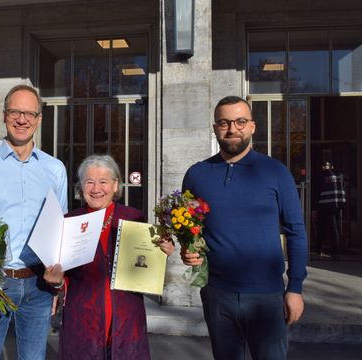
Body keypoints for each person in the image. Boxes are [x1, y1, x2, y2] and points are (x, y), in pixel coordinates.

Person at [180, 96, 308, 360]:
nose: (232, 129)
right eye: (224, 122)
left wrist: (295, 288)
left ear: (252, 126)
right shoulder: (197, 174)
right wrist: (187, 251)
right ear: (215, 128)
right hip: (217, 293)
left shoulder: (275, 172)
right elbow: (190, 228)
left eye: (240, 121)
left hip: (267, 296)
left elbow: (296, 231)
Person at [0, 84, 68, 360]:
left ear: (39, 119)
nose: (22, 120)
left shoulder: (55, 169)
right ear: (4, 115)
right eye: (15, 112)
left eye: (30, 113)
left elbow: (60, 229)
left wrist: (57, 285)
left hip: (38, 285)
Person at [44, 154, 174, 360]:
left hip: (126, 315)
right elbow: (62, 278)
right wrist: (57, 283)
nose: (96, 189)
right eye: (89, 182)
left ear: (115, 186)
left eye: (103, 182)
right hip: (83, 317)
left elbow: (148, 264)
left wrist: (163, 251)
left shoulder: (134, 218)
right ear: (81, 187)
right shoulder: (70, 222)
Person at [316, 160, 346, 259]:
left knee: (322, 227)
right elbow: (342, 189)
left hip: (325, 204)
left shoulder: (322, 176)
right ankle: (334, 251)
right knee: (334, 227)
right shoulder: (338, 176)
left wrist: (315, 207)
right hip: (336, 204)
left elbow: (318, 190)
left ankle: (319, 250)